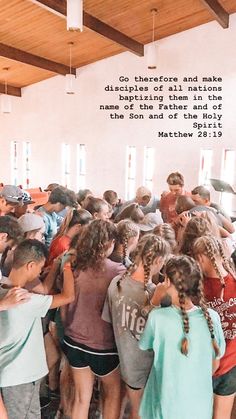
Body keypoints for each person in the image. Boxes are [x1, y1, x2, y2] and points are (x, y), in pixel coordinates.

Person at [139, 255, 225, 419]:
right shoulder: (212, 318)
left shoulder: (158, 318)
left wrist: (155, 301)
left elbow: (144, 345)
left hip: (165, 403)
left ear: (168, 283)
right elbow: (215, 363)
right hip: (199, 404)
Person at [0, 239, 75, 419]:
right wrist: (67, 267)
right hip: (21, 375)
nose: (40, 272)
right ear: (30, 265)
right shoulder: (24, 299)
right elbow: (68, 296)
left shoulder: (3, 288)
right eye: (39, 268)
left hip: (12, 372)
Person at [62, 220, 125, 419]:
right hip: (103, 345)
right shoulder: (118, 271)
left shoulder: (74, 265)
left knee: (81, 399)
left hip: (74, 339)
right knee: (113, 394)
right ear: (109, 243)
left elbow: (65, 306)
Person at [102, 235, 170, 419]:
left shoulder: (116, 283)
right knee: (143, 413)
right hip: (148, 366)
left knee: (136, 410)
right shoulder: (154, 293)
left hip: (126, 362)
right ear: (157, 260)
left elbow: (109, 320)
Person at [193, 236, 236, 419]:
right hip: (231, 362)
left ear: (201, 258)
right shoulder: (234, 280)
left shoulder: (196, 287)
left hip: (205, 364)